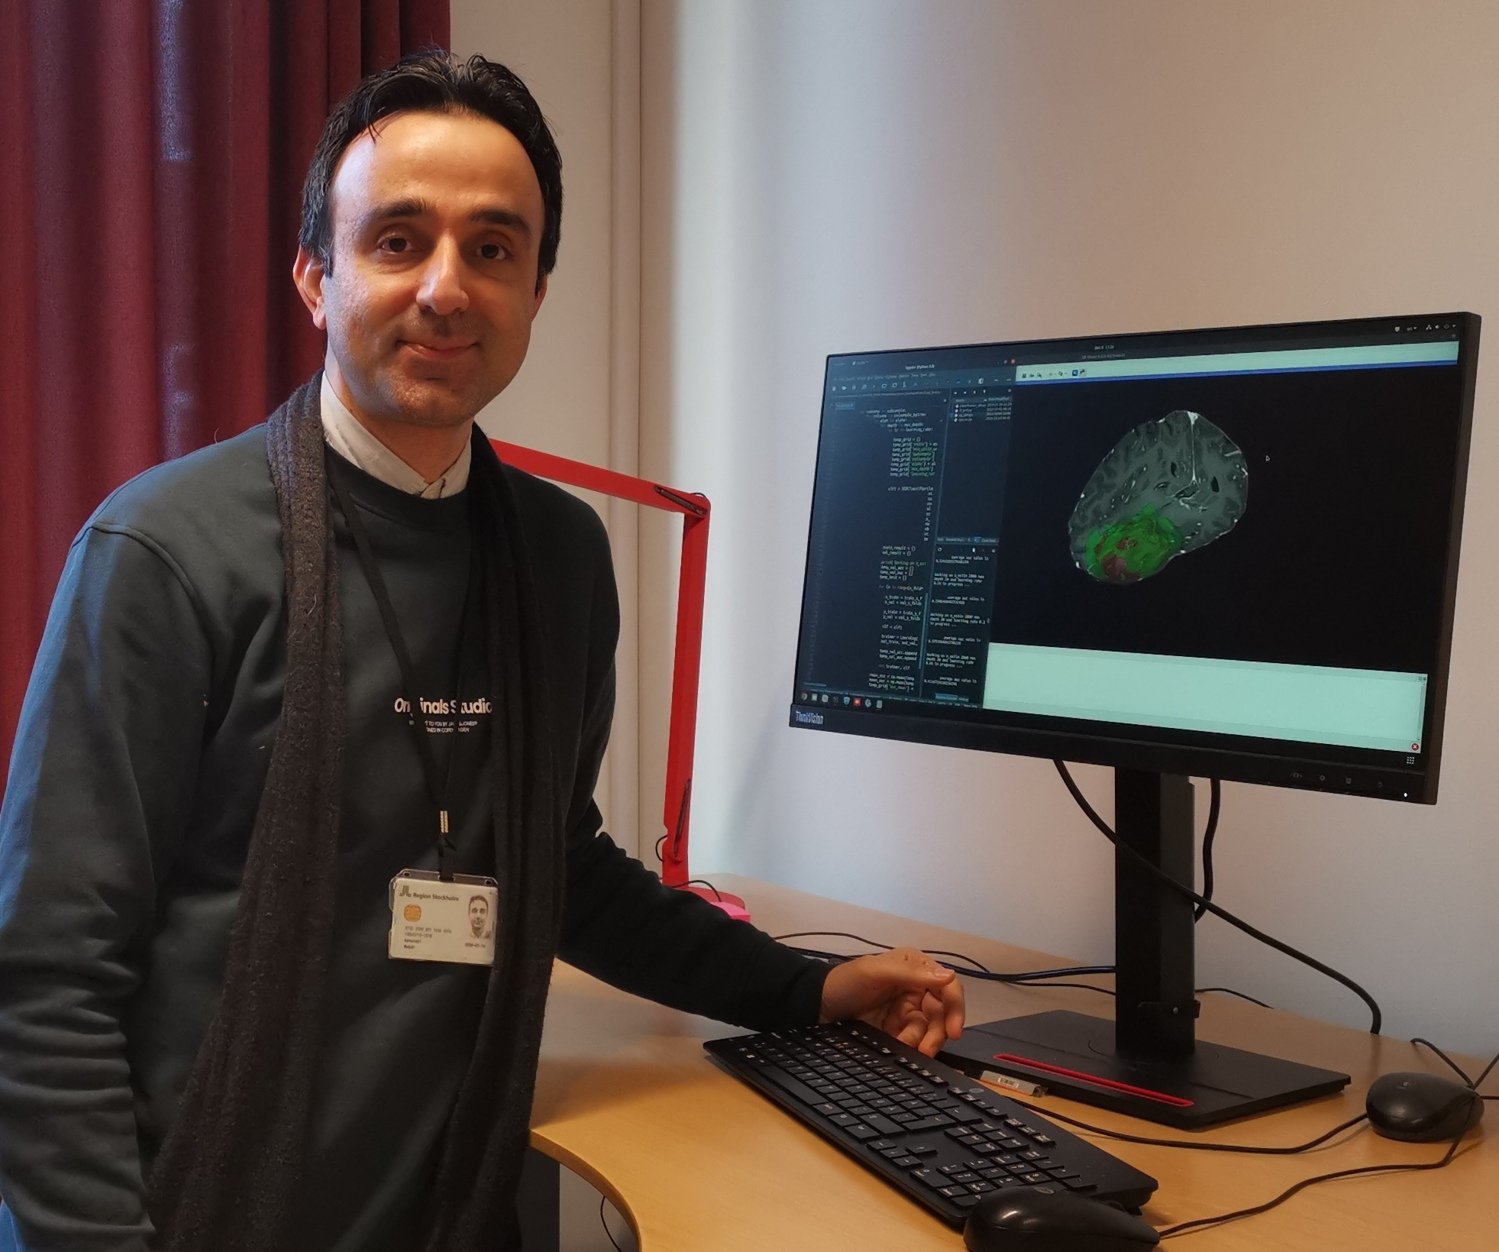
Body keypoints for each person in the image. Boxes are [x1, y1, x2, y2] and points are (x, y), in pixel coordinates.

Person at [0, 51, 963, 1252]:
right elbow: (45, 978)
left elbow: (559, 867)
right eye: (397, 240)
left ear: (536, 288)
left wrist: (806, 987)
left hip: (448, 1212)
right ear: (315, 275)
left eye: (493, 248)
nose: (446, 289)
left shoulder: (555, 559)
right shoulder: (164, 552)